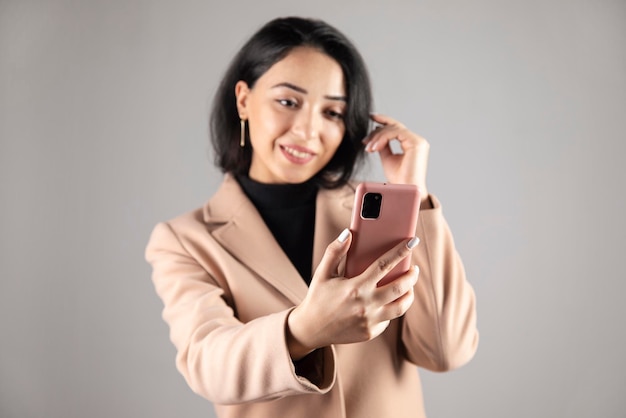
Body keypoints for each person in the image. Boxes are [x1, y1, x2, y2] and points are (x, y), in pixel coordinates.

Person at [145, 16, 478, 418]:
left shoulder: (374, 213)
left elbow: (447, 350)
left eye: (333, 113)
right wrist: (304, 330)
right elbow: (208, 365)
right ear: (244, 100)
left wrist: (414, 196)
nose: (307, 130)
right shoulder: (185, 239)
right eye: (288, 102)